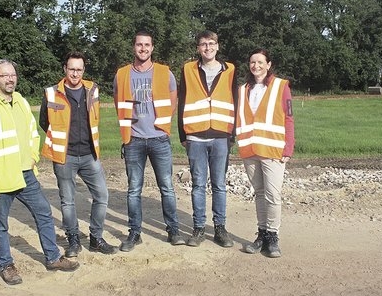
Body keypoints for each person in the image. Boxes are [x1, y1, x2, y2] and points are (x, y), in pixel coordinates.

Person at [0, 59, 79, 285]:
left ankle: (52, 257)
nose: (10, 79)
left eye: (13, 75)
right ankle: (6, 265)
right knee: (0, 225)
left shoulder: (20, 101)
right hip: (1, 178)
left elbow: (33, 133)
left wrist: (32, 157)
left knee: (43, 214)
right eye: (4, 76)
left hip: (25, 173)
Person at [39, 52, 118, 257]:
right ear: (64, 69)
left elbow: (95, 118)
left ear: (84, 70)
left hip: (90, 155)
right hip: (65, 156)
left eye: (79, 69)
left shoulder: (93, 90)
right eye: (72, 69)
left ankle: (96, 238)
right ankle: (73, 239)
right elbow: (44, 122)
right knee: (68, 201)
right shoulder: (51, 93)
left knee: (102, 196)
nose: (75, 73)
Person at [113, 31, 185, 251]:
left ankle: (173, 230)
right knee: (134, 189)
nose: (143, 48)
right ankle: (134, 233)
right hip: (133, 140)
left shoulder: (165, 73)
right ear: (133, 47)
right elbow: (118, 102)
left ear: (152, 48)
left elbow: (173, 101)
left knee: (167, 188)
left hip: (159, 139)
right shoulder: (122, 74)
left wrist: (162, 126)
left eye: (147, 45)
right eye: (139, 44)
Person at [178, 30, 238, 248]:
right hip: (195, 135)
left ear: (217, 46)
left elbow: (235, 101)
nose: (208, 47)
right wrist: (183, 134)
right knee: (198, 185)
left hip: (221, 135)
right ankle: (199, 228)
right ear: (198, 48)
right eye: (203, 44)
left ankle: (220, 228)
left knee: (220, 185)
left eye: (211, 43)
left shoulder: (230, 69)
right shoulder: (187, 69)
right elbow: (182, 100)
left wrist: (233, 133)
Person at [237, 49, 294, 258]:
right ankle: (261, 234)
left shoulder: (280, 86)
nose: (256, 66)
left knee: (272, 195)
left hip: (273, 150)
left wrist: (288, 148)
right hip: (250, 150)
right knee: (259, 194)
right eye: (252, 62)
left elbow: (288, 118)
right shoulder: (242, 89)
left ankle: (273, 236)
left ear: (268, 64)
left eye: (260, 62)